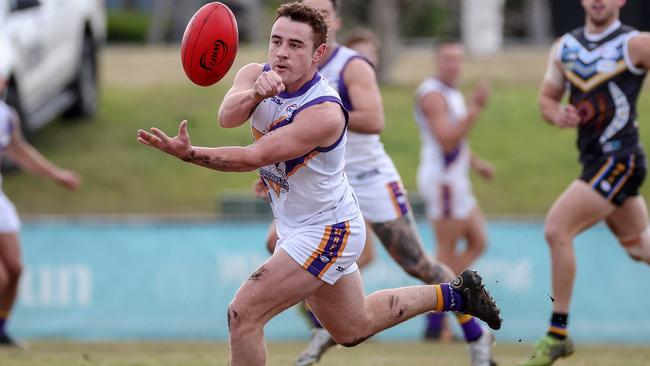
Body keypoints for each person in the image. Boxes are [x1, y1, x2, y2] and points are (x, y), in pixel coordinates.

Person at [137, 3, 501, 365]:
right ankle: (455, 295)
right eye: (276, 41)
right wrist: (254, 95)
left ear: (319, 53)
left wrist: (189, 153)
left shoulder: (324, 110)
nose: (281, 52)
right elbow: (226, 116)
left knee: (243, 314)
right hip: (298, 224)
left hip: (328, 229)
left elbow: (252, 158)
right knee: (353, 328)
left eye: (295, 45)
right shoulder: (255, 75)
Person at [256, 2, 498, 365]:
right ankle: (327, 324)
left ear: (334, 21)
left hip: (368, 178)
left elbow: (374, 119)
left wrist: (323, 114)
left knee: (418, 264)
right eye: (308, 8)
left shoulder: (351, 65)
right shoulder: (284, 67)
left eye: (322, 11)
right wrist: (272, 172)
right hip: (326, 184)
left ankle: (476, 337)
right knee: (276, 242)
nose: (314, 16)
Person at [520, 0, 650, 365]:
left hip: (619, 159)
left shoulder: (634, 44)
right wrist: (555, 113)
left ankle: (557, 334)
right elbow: (546, 99)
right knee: (640, 248)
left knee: (556, 229)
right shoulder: (565, 47)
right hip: (594, 161)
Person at [413, 41, 494, 342]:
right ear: (437, 61)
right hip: (443, 182)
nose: (454, 65)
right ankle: (434, 324)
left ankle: (442, 300)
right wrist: (475, 109)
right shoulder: (432, 95)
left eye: (458, 59)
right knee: (445, 255)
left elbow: (456, 140)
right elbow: (447, 140)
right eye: (448, 59)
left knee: (478, 240)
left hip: (458, 179)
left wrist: (475, 162)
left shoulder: (451, 92)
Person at [0, 75, 81, 346]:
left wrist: (57, 175)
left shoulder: (7, 116)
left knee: (15, 269)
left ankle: (1, 329)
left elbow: (19, 151)